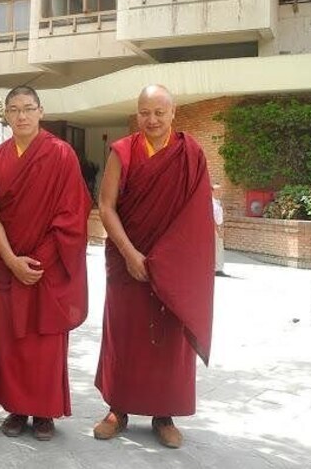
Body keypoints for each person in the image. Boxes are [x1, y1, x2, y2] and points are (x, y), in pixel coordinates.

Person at [93, 84, 214, 449]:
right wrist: (130, 254)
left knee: (168, 340)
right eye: (145, 112)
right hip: (127, 261)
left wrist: (168, 262)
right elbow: (106, 206)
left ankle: (164, 414)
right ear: (138, 113)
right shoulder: (123, 151)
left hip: (172, 266)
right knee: (124, 335)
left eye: (160, 112)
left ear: (173, 112)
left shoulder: (189, 153)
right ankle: (118, 409)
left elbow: (197, 216)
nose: (153, 119)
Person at [0, 86, 91, 441]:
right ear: (6, 114)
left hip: (47, 266)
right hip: (7, 260)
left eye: (28, 108)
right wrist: (11, 261)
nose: (22, 116)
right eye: (14, 109)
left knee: (44, 343)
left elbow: (72, 214)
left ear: (41, 111)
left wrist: (36, 263)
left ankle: (43, 413)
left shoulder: (61, 154)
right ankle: (15, 408)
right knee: (10, 339)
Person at [213, 184, 226, 276]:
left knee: (220, 248)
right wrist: (218, 230)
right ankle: (217, 269)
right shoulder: (211, 203)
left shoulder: (218, 202)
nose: (220, 193)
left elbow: (221, 216)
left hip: (219, 226)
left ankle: (218, 268)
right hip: (215, 228)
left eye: (220, 191)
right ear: (212, 191)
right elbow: (211, 218)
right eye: (218, 191)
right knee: (217, 249)